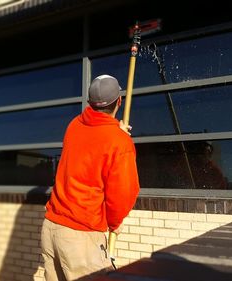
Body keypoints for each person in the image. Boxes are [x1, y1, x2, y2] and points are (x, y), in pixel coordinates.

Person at [41, 74, 140, 281]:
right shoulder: (119, 143)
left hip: (51, 229)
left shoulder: (74, 125)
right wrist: (115, 223)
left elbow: (91, 145)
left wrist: (116, 131)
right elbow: (123, 193)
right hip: (80, 238)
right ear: (119, 101)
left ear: (89, 103)